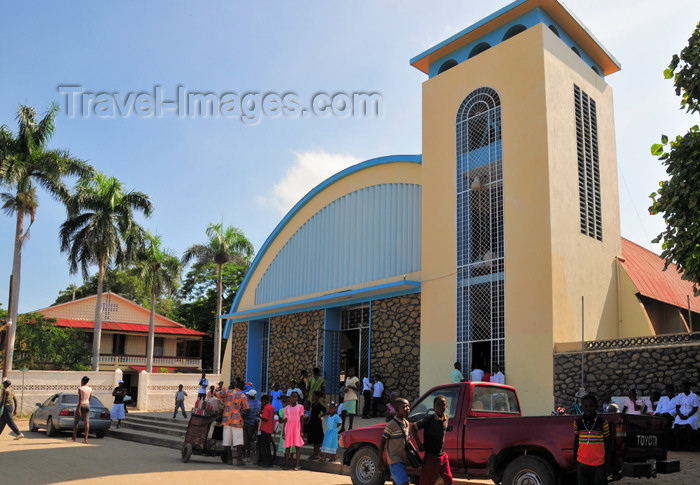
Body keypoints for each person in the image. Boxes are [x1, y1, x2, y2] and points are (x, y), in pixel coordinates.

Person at [412, 395, 453, 485]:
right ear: (434, 407)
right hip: (431, 456)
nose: (440, 407)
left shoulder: (446, 418)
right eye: (438, 405)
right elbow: (413, 428)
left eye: (443, 405)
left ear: (446, 407)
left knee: (448, 480)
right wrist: (419, 444)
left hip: (442, 455)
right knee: (426, 482)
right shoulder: (429, 419)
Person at [573, 394, 611, 485]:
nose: (588, 409)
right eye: (585, 406)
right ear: (582, 408)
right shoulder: (578, 423)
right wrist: (575, 458)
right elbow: (576, 441)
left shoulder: (602, 422)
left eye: (591, 406)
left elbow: (607, 443)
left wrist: (608, 464)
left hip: (598, 463)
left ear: (595, 407)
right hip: (582, 463)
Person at [378, 397, 413, 485]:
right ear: (397, 410)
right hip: (394, 459)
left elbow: (407, 440)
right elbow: (382, 441)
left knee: (397, 482)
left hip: (403, 458)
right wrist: (380, 459)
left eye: (408, 406)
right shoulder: (392, 424)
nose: (407, 408)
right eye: (404, 407)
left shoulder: (406, 423)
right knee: (405, 483)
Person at [216, 380, 249, 466]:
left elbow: (218, 394)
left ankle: (229, 459)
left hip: (226, 420)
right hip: (237, 421)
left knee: (227, 441)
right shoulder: (243, 396)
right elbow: (246, 409)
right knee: (238, 441)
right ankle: (239, 460)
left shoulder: (228, 392)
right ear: (243, 387)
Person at [282, 391, 305, 470]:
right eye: (292, 397)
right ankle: (286, 464)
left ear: (297, 398)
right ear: (290, 398)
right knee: (287, 447)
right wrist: (284, 432)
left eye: (295, 397)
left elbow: (301, 419)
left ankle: (297, 465)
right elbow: (285, 420)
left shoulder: (300, 407)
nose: (293, 398)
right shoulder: (287, 408)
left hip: (297, 428)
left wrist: (301, 430)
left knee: (297, 447)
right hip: (288, 428)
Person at [673, 381, 698, 451]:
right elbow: (677, 407)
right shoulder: (680, 395)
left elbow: (695, 408)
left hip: (690, 414)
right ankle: (678, 445)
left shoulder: (694, 396)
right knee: (676, 425)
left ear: (687, 388)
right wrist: (680, 415)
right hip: (681, 414)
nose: (680, 388)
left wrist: (687, 416)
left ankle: (690, 445)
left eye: (682, 387)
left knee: (688, 425)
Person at [307, 390, 326, 460]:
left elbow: (325, 410)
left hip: (317, 423)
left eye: (314, 396)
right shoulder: (313, 404)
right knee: (314, 440)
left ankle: (316, 454)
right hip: (312, 422)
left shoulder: (319, 405)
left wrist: (321, 415)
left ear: (317, 397)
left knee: (317, 440)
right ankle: (314, 454)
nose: (312, 397)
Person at [72, 376, 92, 443]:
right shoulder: (90, 389)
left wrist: (79, 409)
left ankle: (74, 438)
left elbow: (80, 399)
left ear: (82, 381)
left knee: (76, 422)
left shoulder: (80, 388)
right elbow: (89, 398)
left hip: (81, 405)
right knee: (86, 423)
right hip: (87, 405)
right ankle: (86, 439)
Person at [257, 395, 275, 468]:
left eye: (262, 401)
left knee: (264, 447)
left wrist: (259, 416)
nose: (261, 403)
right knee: (267, 446)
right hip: (269, 429)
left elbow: (265, 419)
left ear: (265, 401)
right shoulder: (271, 407)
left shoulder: (266, 408)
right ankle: (269, 462)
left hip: (265, 429)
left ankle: (266, 462)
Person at [243, 389, 260, 462]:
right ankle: (249, 456)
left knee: (245, 440)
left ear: (250, 396)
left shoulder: (247, 403)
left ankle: (245, 456)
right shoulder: (259, 403)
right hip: (255, 423)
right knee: (250, 440)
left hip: (247, 423)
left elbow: (244, 412)